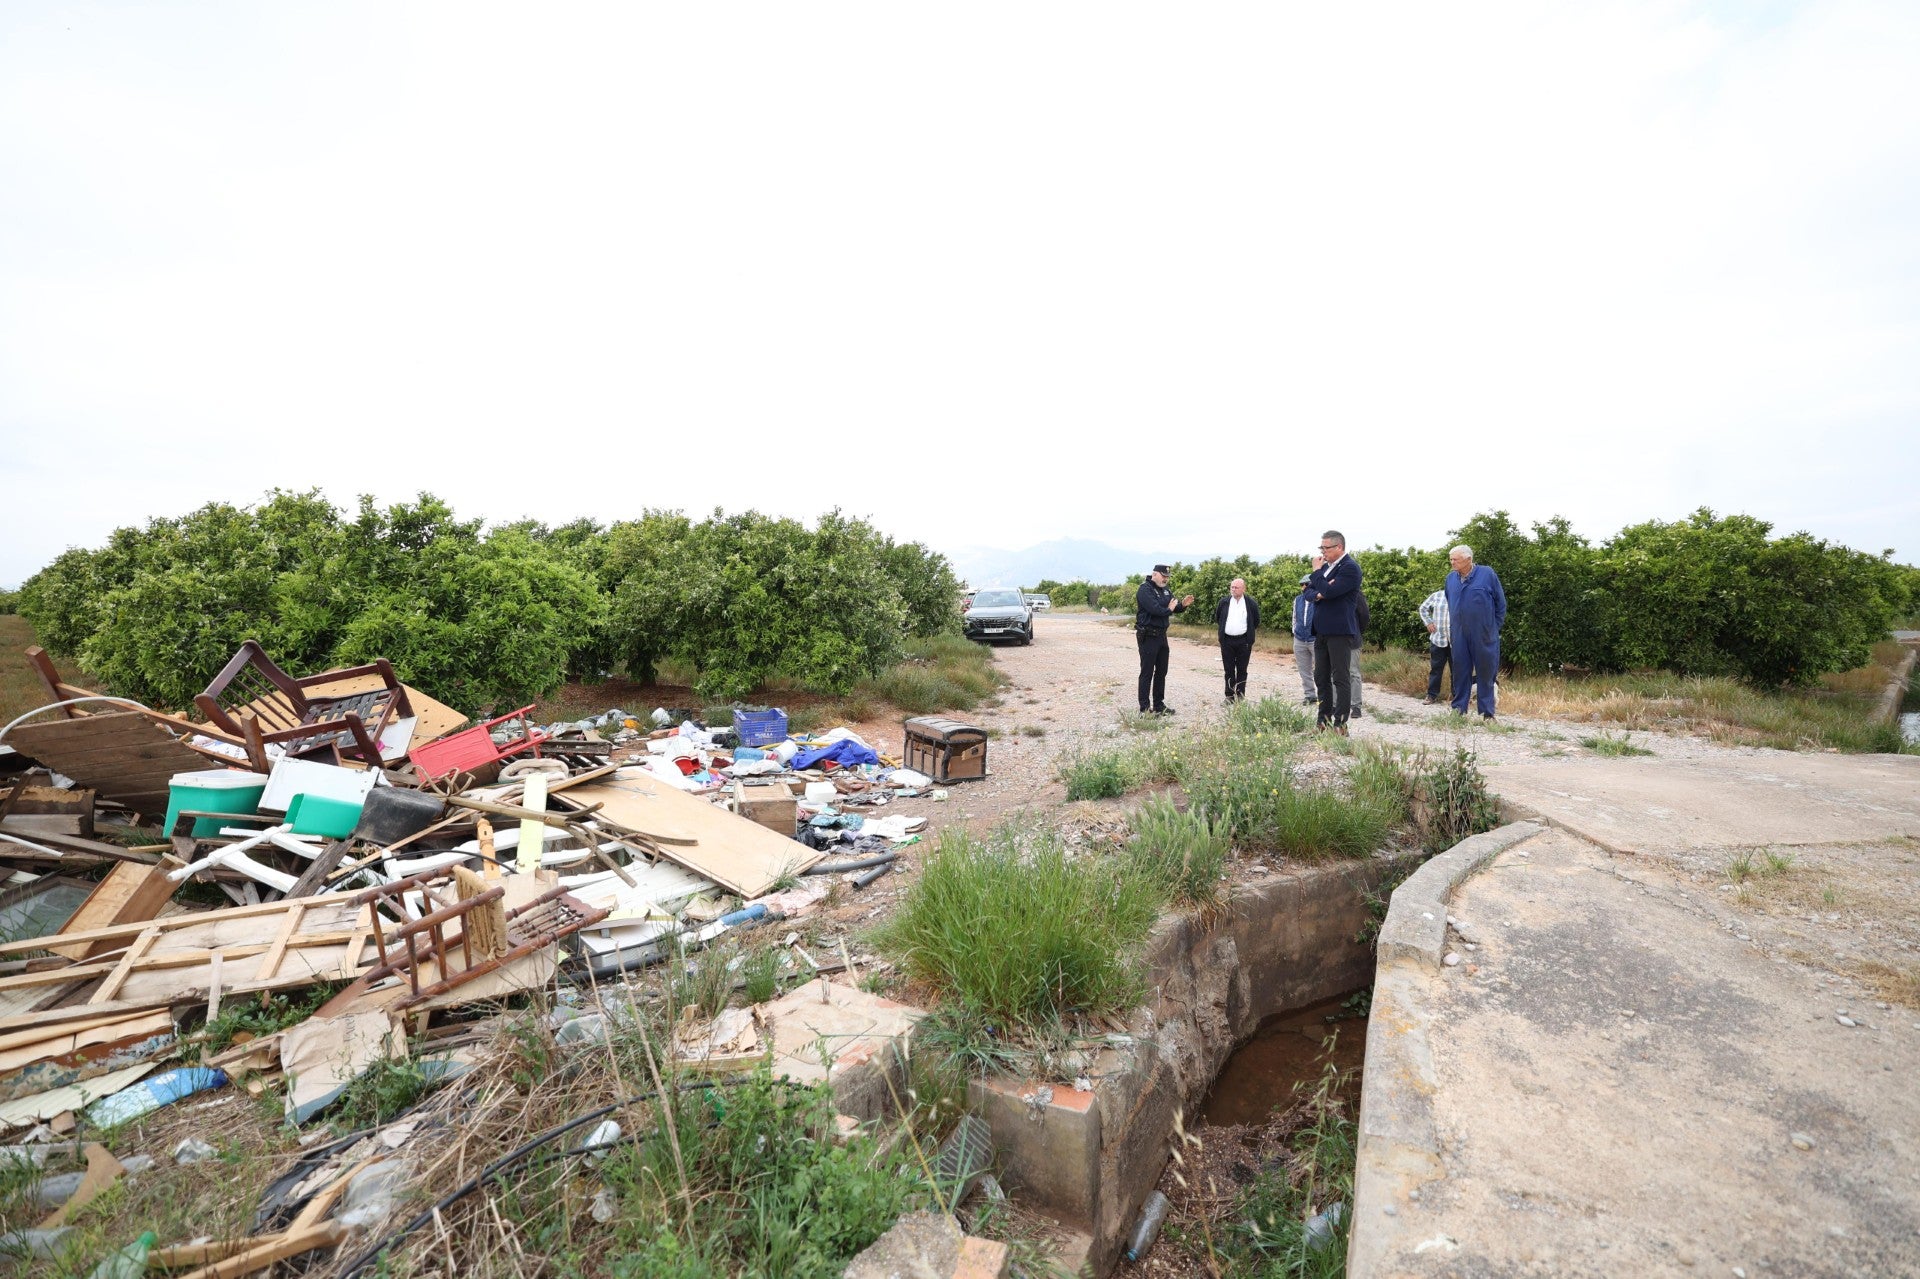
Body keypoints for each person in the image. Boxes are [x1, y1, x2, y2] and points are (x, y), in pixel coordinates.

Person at [1306, 531, 1363, 732]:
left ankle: (1340, 723)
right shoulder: (1328, 569)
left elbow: (1329, 591)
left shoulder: (1349, 568)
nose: (1323, 552)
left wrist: (1317, 573)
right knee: (1321, 677)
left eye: (1326, 548)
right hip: (1321, 631)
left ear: (1339, 547)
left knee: (1340, 677)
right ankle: (1323, 720)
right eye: (1321, 548)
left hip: (1339, 631)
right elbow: (1308, 592)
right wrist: (1320, 589)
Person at [1445, 544, 1507, 720]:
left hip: (1484, 634)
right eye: (1451, 559)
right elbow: (1451, 603)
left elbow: (1500, 604)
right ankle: (1458, 710)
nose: (1452, 562)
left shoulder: (1487, 574)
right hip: (1459, 634)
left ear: (1468, 559)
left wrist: (1493, 628)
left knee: (1486, 673)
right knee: (1460, 672)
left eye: (1455, 559)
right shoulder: (1450, 579)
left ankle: (1487, 713)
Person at [1135, 565, 1194, 715]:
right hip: (1148, 635)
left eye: (1167, 577)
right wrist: (1169, 609)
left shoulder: (1165, 590)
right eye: (1163, 576)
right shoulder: (1145, 589)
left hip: (1162, 636)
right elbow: (1155, 610)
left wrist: (1182, 605)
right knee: (1147, 672)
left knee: (1162, 671)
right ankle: (1145, 709)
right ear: (1154, 574)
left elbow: (1173, 607)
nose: (1166, 579)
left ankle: (1159, 705)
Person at [1214, 578, 1260, 702]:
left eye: (1236, 587)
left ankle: (1240, 695)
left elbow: (1256, 621)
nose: (1233, 589)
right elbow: (1218, 618)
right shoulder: (1224, 602)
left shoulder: (1251, 603)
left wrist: (1247, 635)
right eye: (1232, 587)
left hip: (1244, 641)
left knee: (1242, 669)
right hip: (1227, 641)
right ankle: (1229, 696)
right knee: (1228, 669)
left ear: (1243, 589)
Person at [1418, 586, 1451, 704]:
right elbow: (1423, 608)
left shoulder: (1463, 596)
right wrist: (1428, 622)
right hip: (1438, 639)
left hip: (1457, 641)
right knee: (1436, 669)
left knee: (1458, 671)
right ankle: (1431, 695)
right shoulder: (1437, 595)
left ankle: (1457, 698)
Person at [1291, 569, 1318, 704]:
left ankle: (1325, 696)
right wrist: (1295, 632)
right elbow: (1294, 617)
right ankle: (1310, 695)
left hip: (1315, 640)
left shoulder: (1319, 599)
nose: (1303, 587)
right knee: (1304, 669)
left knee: (1321, 670)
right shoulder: (1298, 600)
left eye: (1306, 584)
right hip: (1300, 639)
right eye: (1302, 584)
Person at [1349, 589, 1369, 717]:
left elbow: (1365, 616)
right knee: (1334, 673)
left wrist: (1356, 630)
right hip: (1335, 640)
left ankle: (1356, 706)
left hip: (1352, 640)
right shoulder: (1331, 590)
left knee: (1353, 672)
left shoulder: (1356, 593)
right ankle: (1334, 704)